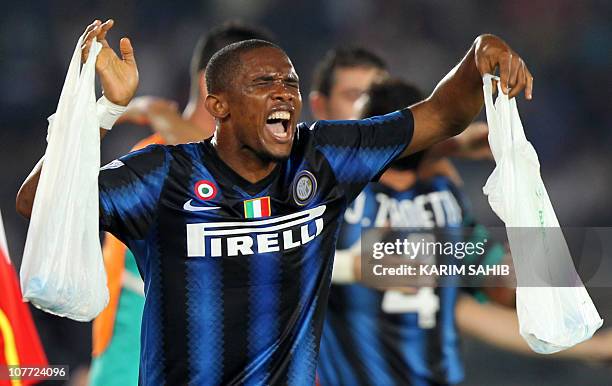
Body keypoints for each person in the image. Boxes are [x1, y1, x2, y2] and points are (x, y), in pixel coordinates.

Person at [16, 18, 533, 385]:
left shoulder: (340, 162)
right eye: (265, 82)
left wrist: (479, 57)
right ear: (217, 103)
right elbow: (42, 205)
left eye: (290, 81)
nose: (284, 92)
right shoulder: (163, 175)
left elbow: (441, 118)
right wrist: (99, 111)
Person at [88, 21, 274, 386]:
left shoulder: (252, 167)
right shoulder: (153, 162)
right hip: (133, 367)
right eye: (261, 86)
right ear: (213, 85)